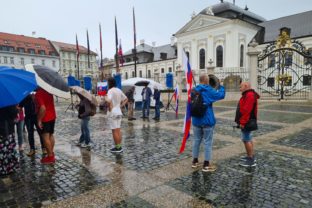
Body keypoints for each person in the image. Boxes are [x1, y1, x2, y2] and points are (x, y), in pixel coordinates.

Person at [192, 74, 225, 172]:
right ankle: (206, 165)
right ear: (206, 81)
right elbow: (221, 95)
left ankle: (195, 161)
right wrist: (221, 85)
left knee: (196, 140)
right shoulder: (208, 90)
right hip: (207, 120)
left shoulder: (194, 90)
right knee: (207, 142)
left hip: (196, 120)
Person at [235, 82, 260, 167]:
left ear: (246, 86)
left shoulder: (249, 95)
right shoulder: (248, 94)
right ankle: (251, 156)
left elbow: (247, 110)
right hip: (247, 121)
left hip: (247, 121)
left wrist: (242, 122)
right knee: (248, 138)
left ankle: (251, 160)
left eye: (241, 86)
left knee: (246, 140)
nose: (240, 88)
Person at [105, 77, 128, 153]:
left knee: (114, 131)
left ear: (109, 83)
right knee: (118, 130)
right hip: (118, 111)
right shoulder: (119, 90)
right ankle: (119, 146)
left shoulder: (110, 91)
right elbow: (126, 99)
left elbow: (108, 100)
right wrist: (121, 106)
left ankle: (118, 148)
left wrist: (105, 98)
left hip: (113, 112)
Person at [35, 88, 57, 164]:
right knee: (51, 135)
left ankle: (50, 157)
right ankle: (51, 153)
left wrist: (39, 120)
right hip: (52, 116)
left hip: (46, 118)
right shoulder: (49, 91)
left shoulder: (38, 93)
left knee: (45, 137)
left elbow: (43, 108)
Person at [0, 105, 19, 175]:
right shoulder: (8, 103)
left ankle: (3, 168)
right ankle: (8, 168)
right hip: (7, 129)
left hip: (4, 129)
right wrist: (17, 109)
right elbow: (13, 113)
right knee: (8, 149)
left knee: (3, 150)